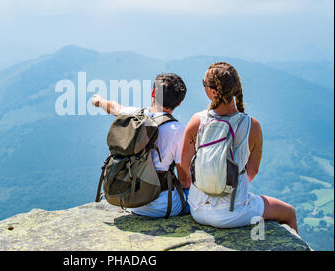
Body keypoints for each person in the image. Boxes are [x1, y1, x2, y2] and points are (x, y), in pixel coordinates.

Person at [179, 62, 298, 233]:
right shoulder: (252, 126)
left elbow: (184, 167)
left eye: (203, 83)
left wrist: (209, 181)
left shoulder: (196, 121)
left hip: (196, 209)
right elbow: (252, 171)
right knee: (289, 213)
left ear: (213, 92)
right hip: (233, 212)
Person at [92, 73, 190, 218]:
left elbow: (115, 108)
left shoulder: (134, 116)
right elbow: (184, 179)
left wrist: (98, 100)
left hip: (129, 200)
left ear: (153, 93)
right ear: (179, 102)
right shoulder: (178, 129)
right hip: (162, 206)